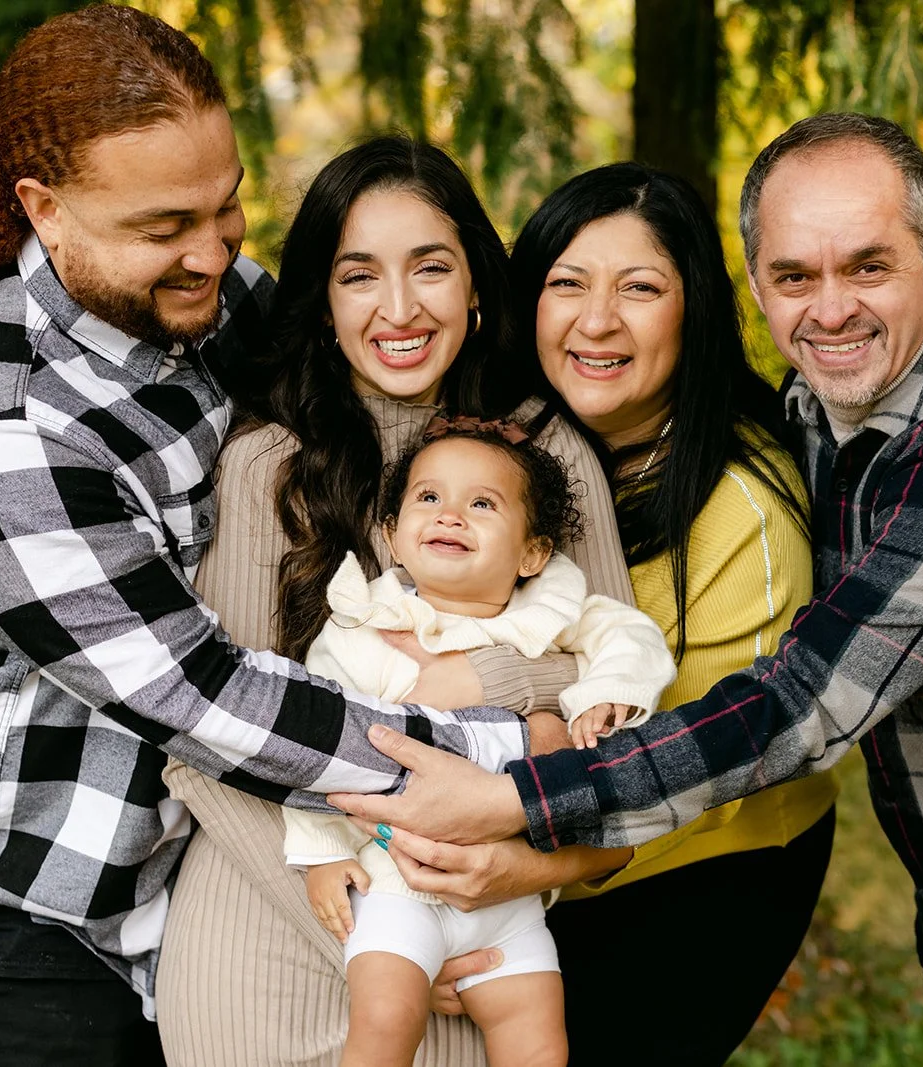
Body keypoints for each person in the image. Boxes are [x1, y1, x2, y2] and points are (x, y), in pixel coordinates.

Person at [334, 113, 923, 1067]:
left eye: (868, 266)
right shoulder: (822, 404)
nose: (831, 308)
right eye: (796, 276)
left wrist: (521, 802)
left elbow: (803, 705)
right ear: (758, 285)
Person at [0, 10, 530, 1064]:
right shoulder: (2, 429)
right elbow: (200, 692)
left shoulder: (214, 301)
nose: (212, 252)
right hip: (13, 926)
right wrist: (497, 753)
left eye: (228, 204)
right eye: (165, 226)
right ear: (45, 210)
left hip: (176, 899)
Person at [153, 133, 639, 1067]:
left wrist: (480, 689)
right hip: (272, 938)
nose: (401, 307)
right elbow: (206, 742)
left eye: (431, 267)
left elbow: (618, 715)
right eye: (359, 275)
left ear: (477, 284)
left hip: (477, 931)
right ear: (323, 303)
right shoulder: (266, 467)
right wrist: (376, 936)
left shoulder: (548, 458)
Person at [341, 161, 841, 1064]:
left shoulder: (744, 511)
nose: (597, 320)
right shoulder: (500, 450)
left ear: (693, 310)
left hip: (699, 871)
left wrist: (519, 874)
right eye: (567, 283)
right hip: (533, 843)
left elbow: (712, 759)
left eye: (639, 288)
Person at [292, 425, 675, 1066]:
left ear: (532, 553)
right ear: (392, 534)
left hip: (512, 894)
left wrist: (606, 694)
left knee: (538, 1040)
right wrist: (321, 854)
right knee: (385, 1021)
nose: (451, 515)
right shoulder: (363, 631)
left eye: (482, 504)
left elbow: (629, 637)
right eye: (429, 497)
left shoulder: (551, 612)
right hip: (395, 880)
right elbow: (315, 743)